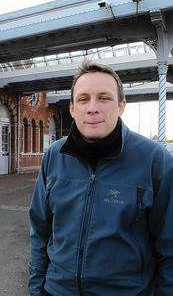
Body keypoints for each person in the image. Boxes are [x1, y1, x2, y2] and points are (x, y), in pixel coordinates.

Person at [28, 60, 173, 295]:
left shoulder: (155, 160)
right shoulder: (54, 156)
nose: (92, 107)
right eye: (83, 99)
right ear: (73, 108)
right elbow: (39, 231)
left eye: (104, 98)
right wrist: (37, 290)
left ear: (121, 105)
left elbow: (170, 247)